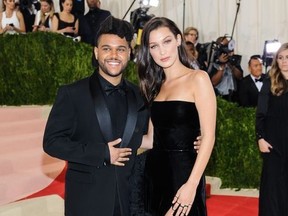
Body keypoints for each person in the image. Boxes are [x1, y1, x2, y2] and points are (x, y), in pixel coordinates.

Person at [43, 16, 150, 216]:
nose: (114, 55)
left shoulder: (140, 96)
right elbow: (52, 142)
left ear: (129, 53)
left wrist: (188, 141)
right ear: (96, 52)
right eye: (106, 48)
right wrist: (102, 153)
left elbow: (146, 137)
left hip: (129, 201)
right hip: (87, 200)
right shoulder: (72, 93)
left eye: (121, 49)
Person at [137, 17, 216, 216]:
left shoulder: (198, 78)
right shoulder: (154, 87)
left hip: (184, 175)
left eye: (167, 41)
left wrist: (191, 185)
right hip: (155, 174)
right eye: (154, 46)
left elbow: (208, 137)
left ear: (178, 40)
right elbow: (151, 140)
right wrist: (115, 137)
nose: (162, 51)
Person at [256, 42, 288, 216]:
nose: (284, 61)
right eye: (281, 58)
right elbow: (260, 114)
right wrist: (260, 138)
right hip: (273, 144)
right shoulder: (270, 83)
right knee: (273, 189)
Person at [209, 36, 243, 103]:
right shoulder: (212, 62)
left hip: (234, 97)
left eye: (229, 45)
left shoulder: (233, 61)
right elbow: (213, 83)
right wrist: (222, 65)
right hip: (219, 98)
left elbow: (240, 76)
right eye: (225, 46)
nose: (227, 48)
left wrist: (231, 64)